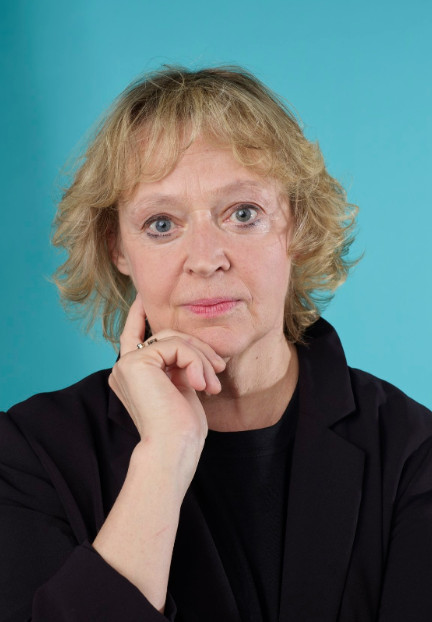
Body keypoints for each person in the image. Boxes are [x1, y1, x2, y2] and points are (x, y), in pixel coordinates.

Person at [1, 66, 431, 622]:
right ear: (118, 249)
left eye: (243, 214)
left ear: (298, 227)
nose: (206, 259)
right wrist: (163, 457)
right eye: (161, 223)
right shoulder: (28, 454)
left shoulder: (413, 452)